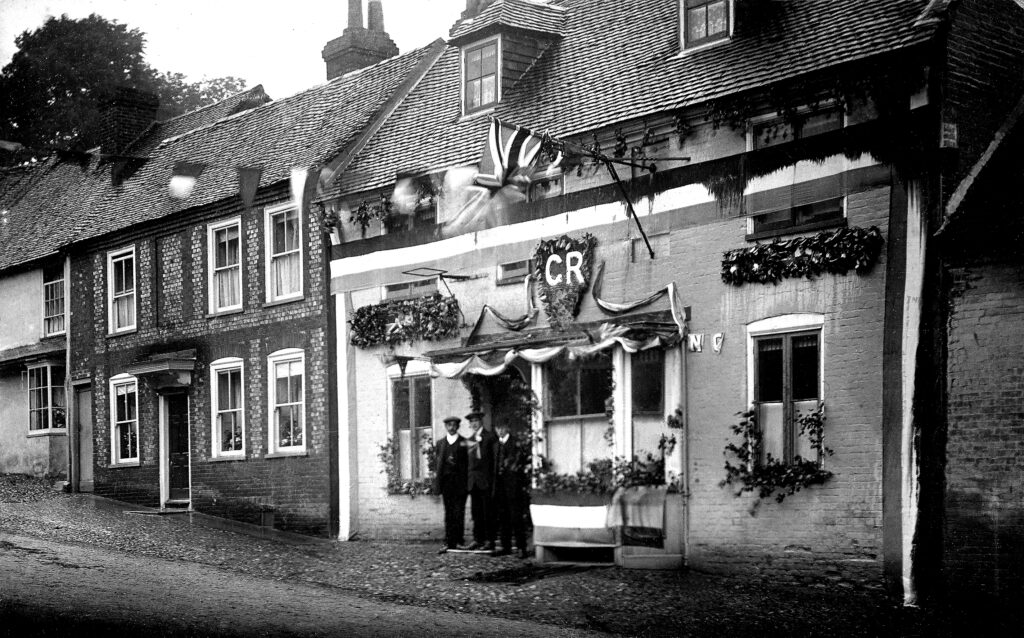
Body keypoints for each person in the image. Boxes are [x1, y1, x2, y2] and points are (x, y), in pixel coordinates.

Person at [493, 419, 529, 559]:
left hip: (514, 487)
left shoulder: (516, 443)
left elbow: (519, 464)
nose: (500, 431)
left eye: (502, 428)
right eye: (497, 428)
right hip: (500, 486)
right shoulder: (496, 445)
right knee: (503, 517)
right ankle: (505, 546)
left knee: (516, 517)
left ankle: (521, 547)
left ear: (507, 428)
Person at [434, 416, 468, 554]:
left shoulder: (465, 442)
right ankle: (449, 541)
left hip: (460, 483)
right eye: (449, 425)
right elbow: (438, 465)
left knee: (459, 512)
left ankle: (459, 541)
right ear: (446, 427)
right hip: (447, 483)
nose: (451, 427)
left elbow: (468, 463)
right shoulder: (440, 443)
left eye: (454, 425)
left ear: (458, 427)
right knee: (448, 513)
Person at [464, 410, 496, 551]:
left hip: (486, 481)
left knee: (488, 512)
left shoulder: (490, 437)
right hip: (473, 482)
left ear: (481, 421)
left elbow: (493, 461)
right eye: (471, 422)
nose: (474, 424)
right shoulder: (470, 440)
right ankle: (478, 539)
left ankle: (490, 540)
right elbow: (469, 463)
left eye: (476, 421)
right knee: (476, 512)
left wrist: (492, 480)